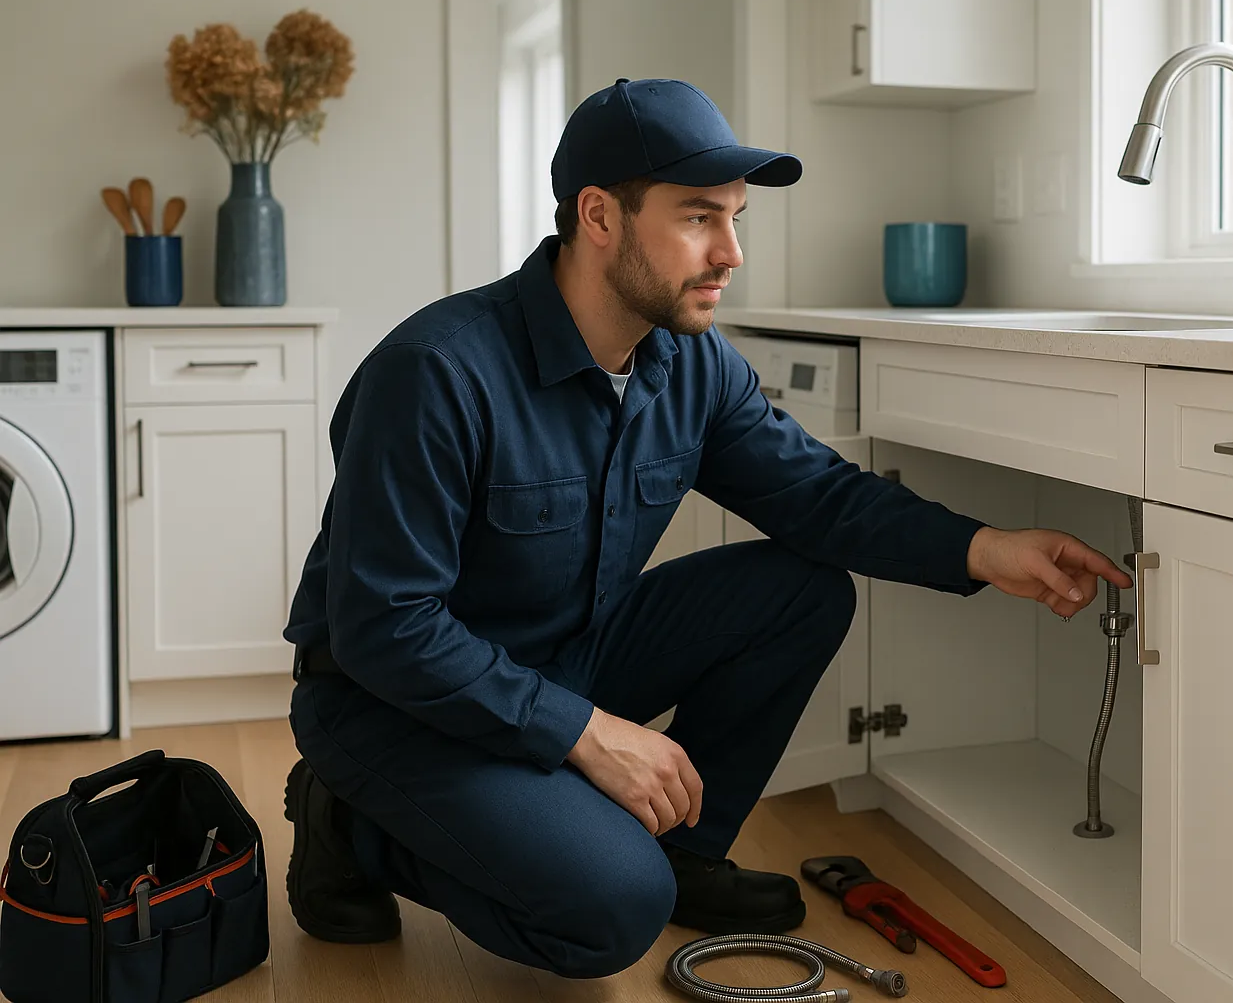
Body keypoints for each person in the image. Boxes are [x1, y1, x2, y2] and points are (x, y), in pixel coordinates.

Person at [281, 76, 1132, 978]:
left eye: (735, 219)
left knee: (799, 590)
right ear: (599, 215)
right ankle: (350, 826)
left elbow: (818, 496)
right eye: (697, 218)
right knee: (613, 910)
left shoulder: (692, 364)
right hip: (393, 703)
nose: (729, 252)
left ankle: (683, 856)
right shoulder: (435, 372)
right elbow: (387, 627)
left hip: (562, 656)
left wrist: (984, 549)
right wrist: (587, 735)